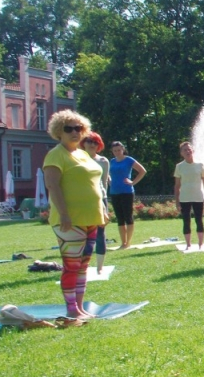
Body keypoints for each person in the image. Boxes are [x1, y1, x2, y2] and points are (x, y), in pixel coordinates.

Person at [42, 110, 107, 319]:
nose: (74, 132)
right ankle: (71, 308)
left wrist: (103, 210)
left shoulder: (82, 154)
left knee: (83, 266)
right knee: (72, 265)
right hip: (70, 220)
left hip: (91, 218)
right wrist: (64, 214)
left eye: (78, 128)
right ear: (58, 131)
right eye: (68, 129)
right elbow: (52, 185)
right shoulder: (56, 154)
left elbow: (95, 184)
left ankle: (80, 307)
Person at [80, 131, 110, 272]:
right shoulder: (77, 159)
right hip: (83, 199)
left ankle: (100, 267)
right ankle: (83, 266)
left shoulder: (103, 161)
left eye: (95, 142)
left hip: (100, 198)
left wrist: (104, 201)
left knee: (100, 232)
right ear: (83, 143)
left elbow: (104, 183)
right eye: (89, 141)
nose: (92, 144)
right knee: (82, 233)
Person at [108, 141, 147, 249]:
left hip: (127, 192)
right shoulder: (112, 161)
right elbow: (107, 173)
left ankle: (128, 242)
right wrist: (109, 181)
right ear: (112, 151)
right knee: (120, 218)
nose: (117, 152)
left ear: (123, 149)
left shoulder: (129, 160)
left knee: (128, 216)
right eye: (115, 150)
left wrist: (133, 182)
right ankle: (123, 242)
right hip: (114, 192)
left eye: (119, 150)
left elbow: (142, 171)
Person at [174, 141, 204, 250]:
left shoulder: (200, 165)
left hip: (198, 197)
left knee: (199, 220)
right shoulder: (179, 166)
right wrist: (177, 202)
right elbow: (177, 186)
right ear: (181, 153)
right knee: (186, 220)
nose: (188, 151)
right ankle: (188, 244)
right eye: (185, 150)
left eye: (189, 149)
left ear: (192, 151)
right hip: (184, 198)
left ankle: (200, 243)